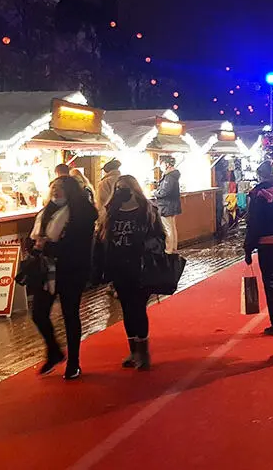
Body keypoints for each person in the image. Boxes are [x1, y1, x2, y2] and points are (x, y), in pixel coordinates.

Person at [29, 176, 98, 379]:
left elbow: (77, 246)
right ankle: (54, 351)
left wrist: (47, 246)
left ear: (70, 190)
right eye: (53, 187)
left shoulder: (81, 213)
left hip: (71, 269)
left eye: (60, 188)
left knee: (70, 314)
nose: (55, 191)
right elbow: (34, 237)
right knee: (39, 314)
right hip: (46, 270)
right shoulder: (46, 212)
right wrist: (34, 247)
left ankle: (74, 362)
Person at [98, 175, 164, 370]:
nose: (121, 191)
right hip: (118, 266)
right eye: (118, 188)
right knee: (126, 308)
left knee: (138, 307)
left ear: (134, 189)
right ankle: (133, 350)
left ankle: (143, 352)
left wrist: (147, 247)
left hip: (140, 265)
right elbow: (103, 236)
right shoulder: (112, 211)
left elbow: (159, 236)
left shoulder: (147, 210)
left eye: (125, 187)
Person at [244, 160, 273, 336]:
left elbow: (254, 224)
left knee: (270, 283)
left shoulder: (257, 195)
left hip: (266, 245)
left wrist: (248, 248)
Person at [153, 155, 182, 253]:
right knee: (172, 228)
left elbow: (164, 192)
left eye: (161, 163)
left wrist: (155, 193)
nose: (160, 166)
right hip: (172, 205)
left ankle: (169, 250)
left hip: (166, 206)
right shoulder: (173, 175)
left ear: (167, 164)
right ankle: (173, 248)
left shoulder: (169, 176)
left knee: (167, 229)